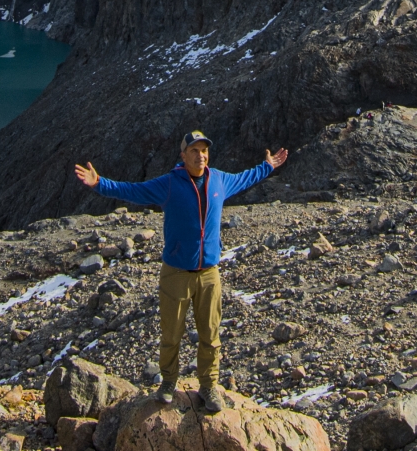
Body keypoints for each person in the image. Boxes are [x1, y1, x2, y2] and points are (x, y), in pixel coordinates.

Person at [73, 131, 288, 413]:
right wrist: (99, 183)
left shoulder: (219, 180)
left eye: (204, 150)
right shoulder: (169, 184)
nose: (201, 155)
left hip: (209, 273)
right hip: (176, 272)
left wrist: (267, 166)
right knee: (171, 335)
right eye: (195, 151)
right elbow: (133, 190)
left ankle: (209, 386)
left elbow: (246, 177)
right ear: (183, 155)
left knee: (210, 335)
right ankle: (168, 383)